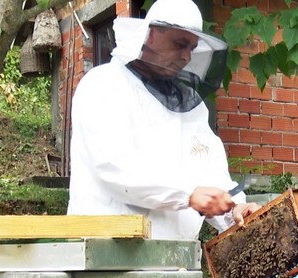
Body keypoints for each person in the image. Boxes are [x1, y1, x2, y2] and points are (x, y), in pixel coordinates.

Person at [67, 0, 260, 239]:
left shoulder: (191, 107)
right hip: (106, 249)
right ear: (150, 35)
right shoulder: (103, 85)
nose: (186, 57)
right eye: (180, 44)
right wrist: (188, 195)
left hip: (175, 256)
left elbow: (209, 170)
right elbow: (115, 168)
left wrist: (235, 208)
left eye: (192, 48)